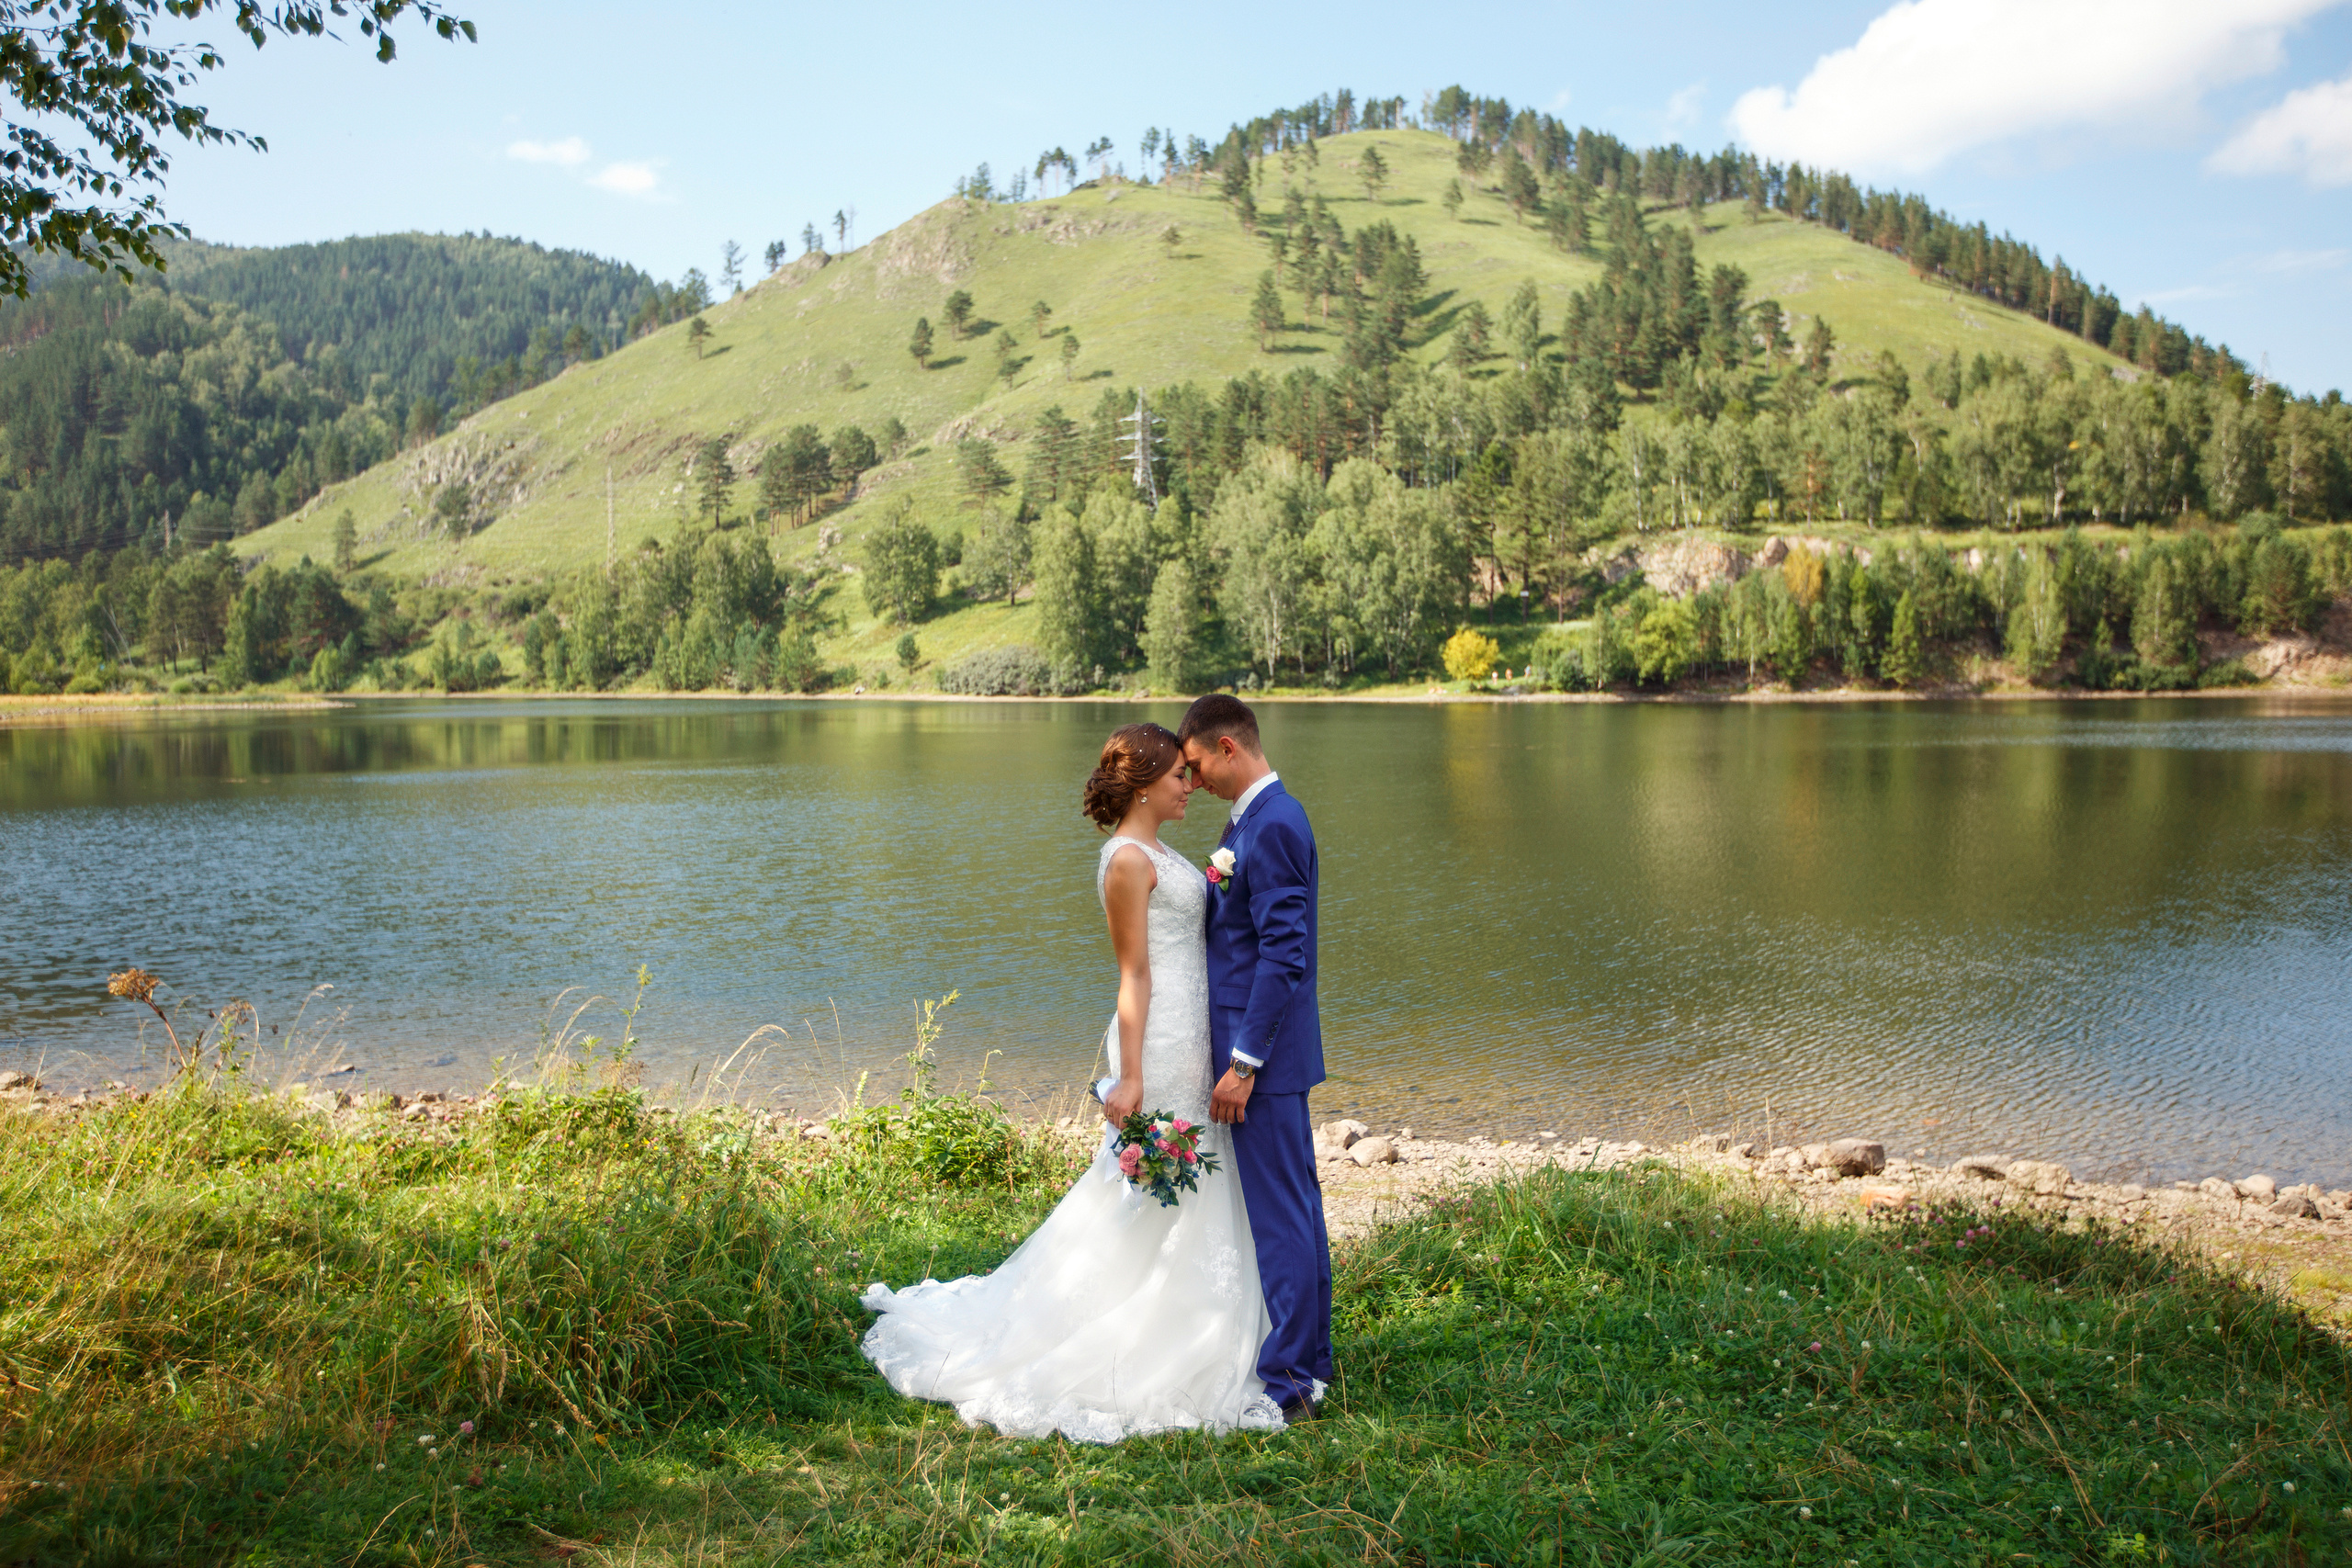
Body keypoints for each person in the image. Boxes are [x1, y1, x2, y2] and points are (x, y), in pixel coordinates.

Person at [857, 722, 1285, 1441]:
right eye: (1178, 775)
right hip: (1161, 1042)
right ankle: (1133, 1331)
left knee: (1192, 1180)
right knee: (1156, 1185)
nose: (1190, 784)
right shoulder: (1125, 860)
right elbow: (1134, 974)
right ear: (1144, 786)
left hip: (1194, 1033)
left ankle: (1197, 1314)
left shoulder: (1158, 850)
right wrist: (1132, 1075)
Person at [1176, 694, 1332, 1423]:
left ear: (1228, 748)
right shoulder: (1253, 819)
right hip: (1263, 1056)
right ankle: (1309, 1363)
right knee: (1293, 1208)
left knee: (1281, 1218)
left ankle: (1292, 1382)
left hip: (1262, 1064)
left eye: (1196, 763)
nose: (1193, 778)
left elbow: (1284, 954)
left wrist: (1243, 1065)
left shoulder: (1274, 824)